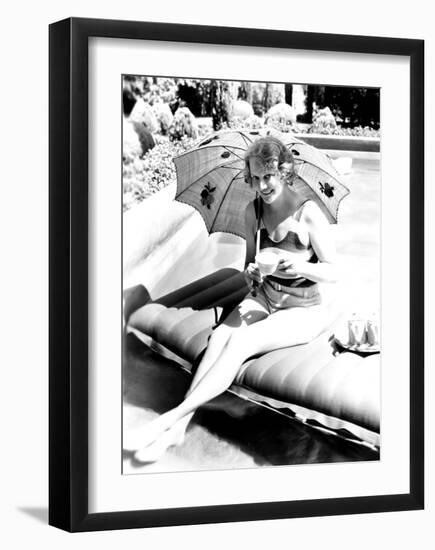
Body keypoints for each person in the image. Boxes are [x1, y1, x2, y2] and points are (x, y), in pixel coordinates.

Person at [128, 136, 338, 462]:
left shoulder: (307, 214)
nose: (263, 185)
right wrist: (252, 274)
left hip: (302, 309)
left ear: (283, 171)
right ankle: (179, 428)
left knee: (241, 344)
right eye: (256, 177)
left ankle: (169, 419)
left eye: (268, 176)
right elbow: (247, 271)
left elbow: (335, 272)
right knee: (221, 336)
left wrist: (298, 265)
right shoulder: (252, 212)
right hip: (265, 298)